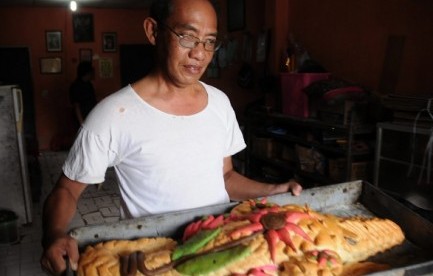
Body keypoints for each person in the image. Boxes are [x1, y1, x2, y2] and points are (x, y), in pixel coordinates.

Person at [40, 0, 303, 274]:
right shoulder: (113, 114)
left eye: (209, 41)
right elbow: (67, 190)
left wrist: (274, 191)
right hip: (153, 261)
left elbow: (225, 178)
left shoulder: (220, 104)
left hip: (219, 250)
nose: (199, 53)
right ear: (153, 31)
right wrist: (54, 233)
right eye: (187, 37)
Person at [69, 61, 97, 126]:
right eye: (91, 72)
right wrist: (81, 123)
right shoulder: (76, 86)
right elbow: (76, 106)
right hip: (82, 118)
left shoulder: (89, 84)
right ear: (87, 73)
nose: (93, 74)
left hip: (90, 116)